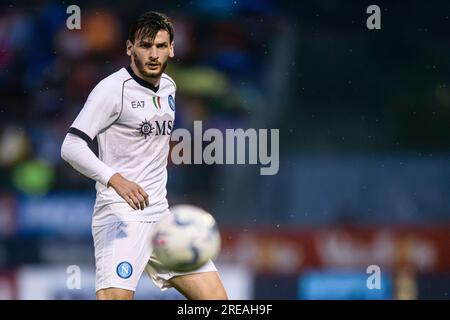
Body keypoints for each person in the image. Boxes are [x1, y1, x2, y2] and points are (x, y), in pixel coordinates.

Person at [61, 11, 228, 300]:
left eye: (161, 46)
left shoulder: (169, 87)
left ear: (172, 49)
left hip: (161, 218)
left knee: (218, 301)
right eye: (145, 45)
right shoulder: (111, 90)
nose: (153, 54)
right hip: (120, 216)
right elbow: (70, 147)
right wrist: (115, 179)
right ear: (129, 48)